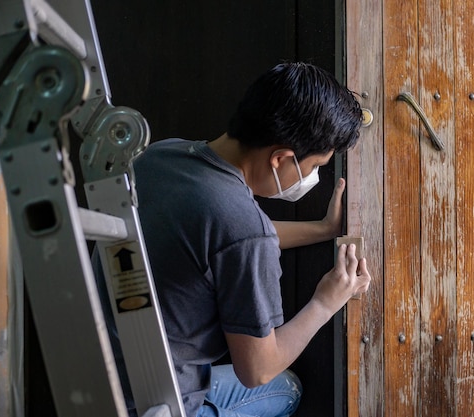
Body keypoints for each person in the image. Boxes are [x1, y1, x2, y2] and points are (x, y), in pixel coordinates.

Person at [96, 62, 371, 417]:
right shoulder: (241, 227)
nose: (313, 176)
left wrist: (322, 229)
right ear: (281, 159)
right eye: (315, 165)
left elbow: (219, 241)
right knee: (283, 390)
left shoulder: (159, 157)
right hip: (162, 403)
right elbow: (257, 370)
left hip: (110, 378)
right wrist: (325, 303)